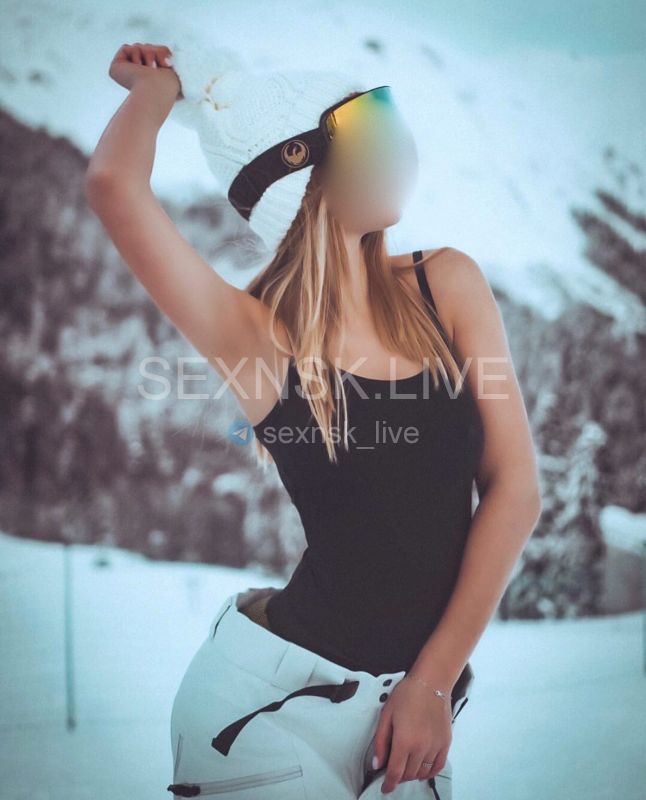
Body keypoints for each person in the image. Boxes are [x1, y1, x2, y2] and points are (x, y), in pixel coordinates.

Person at [85, 38, 542, 799]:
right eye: (365, 126)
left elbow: (515, 489)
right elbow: (112, 186)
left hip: (407, 716)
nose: (397, 143)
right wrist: (160, 89)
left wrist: (431, 682)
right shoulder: (258, 338)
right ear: (300, 172)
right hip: (270, 714)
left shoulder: (446, 286)